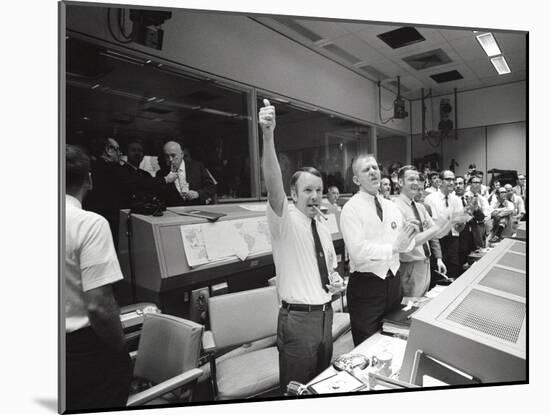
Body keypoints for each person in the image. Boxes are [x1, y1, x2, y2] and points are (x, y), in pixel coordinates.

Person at [259, 99, 344, 392]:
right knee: (295, 392)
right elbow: (272, 185)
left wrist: (335, 281)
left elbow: (329, 269)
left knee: (319, 387)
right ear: (293, 194)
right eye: (307, 190)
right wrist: (268, 136)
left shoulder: (321, 225)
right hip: (297, 321)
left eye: (318, 190)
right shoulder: (285, 220)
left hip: (325, 316)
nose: (314, 195)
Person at [65, 145, 132, 411]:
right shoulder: (90, 224)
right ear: (89, 179)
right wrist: (120, 348)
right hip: (82, 352)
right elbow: (99, 306)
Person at [340, 154, 419, 346]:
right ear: (356, 179)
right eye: (366, 169)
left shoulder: (390, 206)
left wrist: (410, 234)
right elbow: (358, 251)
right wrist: (393, 247)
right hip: (367, 287)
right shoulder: (351, 209)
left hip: (393, 284)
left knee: (392, 338)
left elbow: (404, 244)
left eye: (375, 167)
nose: (373, 171)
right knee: (367, 344)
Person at [394, 166, 450, 297]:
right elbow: (408, 244)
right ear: (400, 182)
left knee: (421, 305)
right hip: (409, 266)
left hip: (425, 263)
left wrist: (450, 220)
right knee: (409, 308)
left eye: (417, 179)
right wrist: (436, 227)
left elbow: (438, 233)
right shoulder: (395, 208)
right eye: (411, 179)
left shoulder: (420, 208)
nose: (415, 183)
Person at [424, 170, 471, 279]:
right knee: (438, 274)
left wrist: (463, 220)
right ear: (440, 181)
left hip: (453, 240)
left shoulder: (456, 200)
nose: (451, 182)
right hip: (437, 241)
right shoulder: (430, 199)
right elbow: (433, 227)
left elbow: (458, 228)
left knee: (453, 271)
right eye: (448, 179)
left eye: (453, 179)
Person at [83, 137, 124, 249]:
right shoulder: (115, 170)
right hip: (111, 223)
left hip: (90, 224)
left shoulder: (90, 168)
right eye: (117, 149)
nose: (120, 153)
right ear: (109, 150)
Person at [156, 140, 217, 207]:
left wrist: (198, 194)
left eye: (173, 155)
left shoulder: (197, 167)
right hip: (174, 213)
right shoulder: (161, 174)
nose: (170, 159)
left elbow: (211, 187)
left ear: (182, 154)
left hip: (197, 211)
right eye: (167, 156)